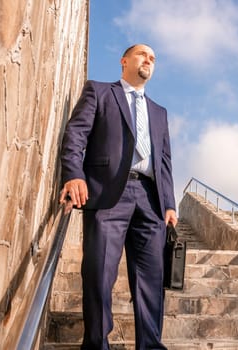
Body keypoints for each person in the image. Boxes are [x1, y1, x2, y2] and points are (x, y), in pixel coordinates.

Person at [59, 43, 177, 350]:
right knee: (99, 273)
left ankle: (150, 345)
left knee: (151, 280)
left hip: (151, 200)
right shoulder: (98, 92)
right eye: (142, 54)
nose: (149, 59)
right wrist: (73, 174)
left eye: (153, 57)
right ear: (125, 61)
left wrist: (170, 204)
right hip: (109, 192)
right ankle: (97, 344)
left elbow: (164, 162)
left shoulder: (159, 113)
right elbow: (76, 135)